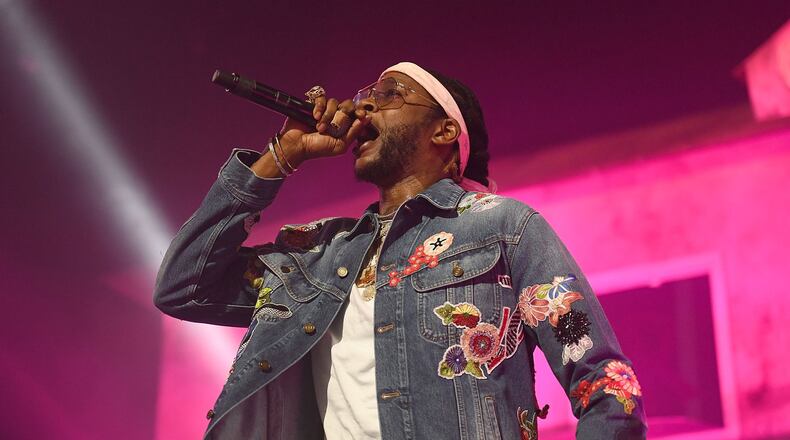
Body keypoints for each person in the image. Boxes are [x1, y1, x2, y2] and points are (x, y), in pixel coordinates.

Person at [154, 62, 648, 440]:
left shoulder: (503, 227)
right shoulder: (319, 252)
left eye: (389, 96)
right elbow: (183, 286)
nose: (363, 108)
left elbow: (606, 384)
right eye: (366, 97)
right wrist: (283, 155)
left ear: (444, 132)